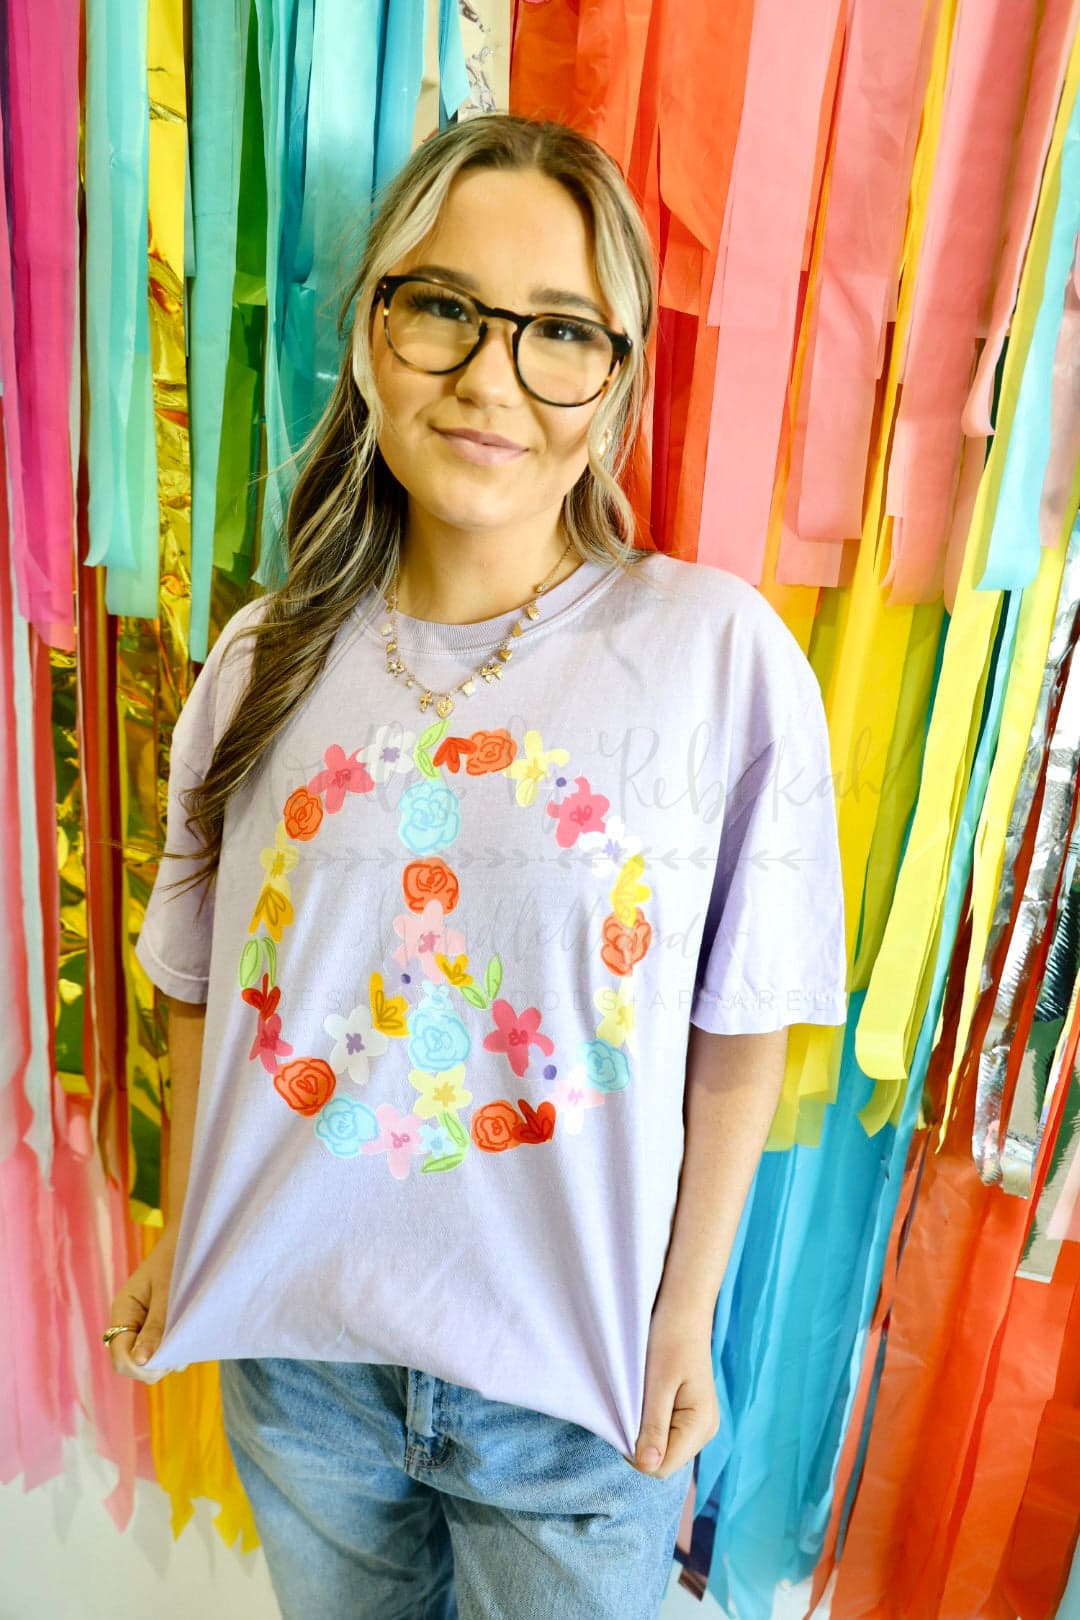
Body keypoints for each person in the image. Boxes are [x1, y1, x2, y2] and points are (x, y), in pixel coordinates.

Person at [105, 113, 847, 1619]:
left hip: (572, 1403)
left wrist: (686, 1313)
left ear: (617, 374)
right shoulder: (260, 660)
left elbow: (741, 1030)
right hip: (301, 1371)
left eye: (559, 330)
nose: (491, 377)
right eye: (445, 306)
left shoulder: (713, 657)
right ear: (372, 330)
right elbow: (201, 990)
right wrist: (187, 1227)